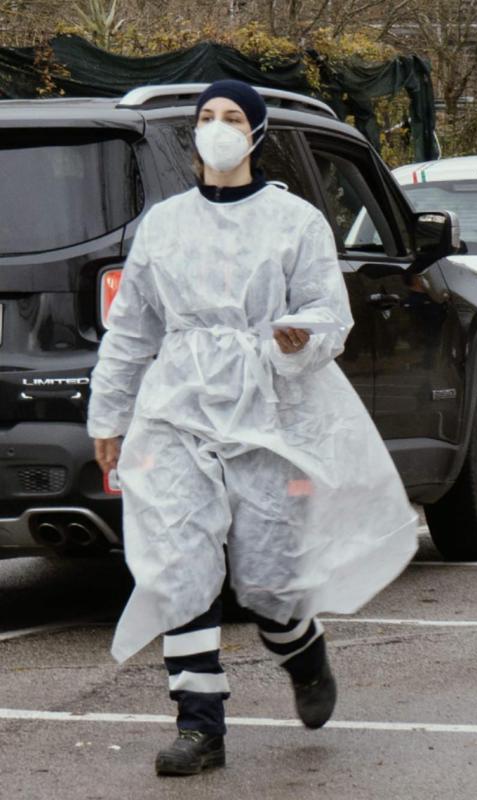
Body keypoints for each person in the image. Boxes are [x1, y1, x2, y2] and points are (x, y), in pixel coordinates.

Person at [88, 80, 419, 775]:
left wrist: (297, 339)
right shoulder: (164, 225)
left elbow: (329, 315)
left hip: (268, 410)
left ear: (256, 133)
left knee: (267, 579)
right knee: (179, 564)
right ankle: (199, 726)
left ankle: (303, 651)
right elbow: (131, 330)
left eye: (232, 116)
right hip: (178, 406)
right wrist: (109, 415)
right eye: (207, 116)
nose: (217, 126)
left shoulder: (295, 221)